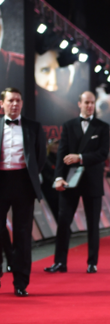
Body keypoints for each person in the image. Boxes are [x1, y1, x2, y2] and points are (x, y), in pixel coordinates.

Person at [45, 91, 110, 274]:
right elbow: (61, 153)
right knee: (64, 222)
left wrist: (80, 157)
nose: (89, 106)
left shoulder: (102, 127)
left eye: (92, 103)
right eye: (86, 102)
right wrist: (58, 177)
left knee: (92, 224)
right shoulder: (68, 126)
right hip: (70, 181)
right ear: (79, 103)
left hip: (92, 182)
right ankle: (60, 262)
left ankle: (92, 262)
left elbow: (103, 153)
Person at [0, 88, 46, 296]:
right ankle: (7, 262)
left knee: (23, 234)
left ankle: (21, 282)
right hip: (1, 180)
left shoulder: (33, 127)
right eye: (10, 101)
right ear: (2, 104)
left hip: (23, 183)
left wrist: (31, 178)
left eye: (18, 100)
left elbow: (40, 158)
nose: (14, 104)